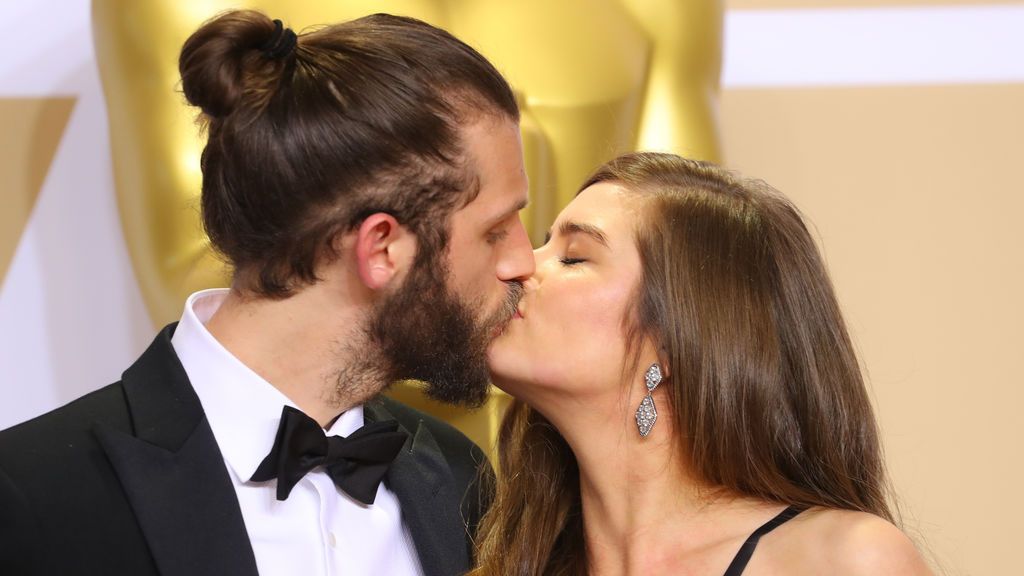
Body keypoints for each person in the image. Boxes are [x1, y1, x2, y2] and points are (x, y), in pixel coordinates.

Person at [0, 10, 533, 576]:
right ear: (380, 249)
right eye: (496, 230)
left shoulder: (458, 479)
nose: (524, 261)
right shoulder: (32, 498)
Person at [477, 152, 933, 575]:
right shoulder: (503, 556)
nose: (518, 265)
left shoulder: (844, 560)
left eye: (573, 257)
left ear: (678, 337)